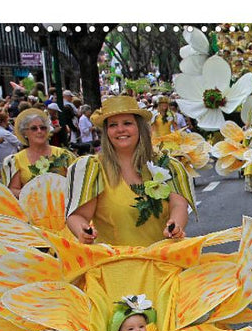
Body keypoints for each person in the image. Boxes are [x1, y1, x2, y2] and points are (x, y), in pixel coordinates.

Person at [65, 95, 196, 247]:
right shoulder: (93, 168)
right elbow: (78, 216)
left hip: (164, 263)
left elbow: (178, 205)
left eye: (127, 123)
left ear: (140, 127)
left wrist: (176, 225)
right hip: (116, 266)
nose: (120, 129)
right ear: (106, 131)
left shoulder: (166, 164)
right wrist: (83, 231)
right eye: (113, 125)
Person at [2, 108, 75, 196]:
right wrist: (34, 194)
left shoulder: (64, 155)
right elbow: (13, 190)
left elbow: (75, 184)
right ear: (24, 133)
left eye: (43, 128)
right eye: (34, 128)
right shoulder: (15, 160)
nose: (39, 131)